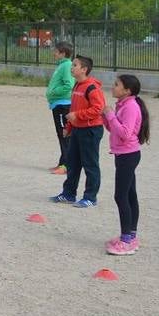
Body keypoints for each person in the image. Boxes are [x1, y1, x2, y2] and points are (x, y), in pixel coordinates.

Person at [103, 74, 151, 256]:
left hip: (128, 155)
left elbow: (124, 133)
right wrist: (106, 117)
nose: (113, 87)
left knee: (121, 196)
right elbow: (114, 129)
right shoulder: (123, 105)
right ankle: (130, 235)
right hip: (123, 154)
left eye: (117, 85)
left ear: (127, 90)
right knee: (130, 194)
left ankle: (126, 240)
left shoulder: (130, 107)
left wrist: (110, 115)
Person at [51, 56, 105, 208]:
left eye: (75, 65)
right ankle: (68, 194)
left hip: (90, 130)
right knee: (72, 163)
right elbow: (73, 109)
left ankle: (90, 197)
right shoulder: (77, 86)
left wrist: (77, 116)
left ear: (84, 69)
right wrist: (69, 127)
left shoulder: (92, 87)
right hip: (77, 129)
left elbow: (98, 109)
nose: (71, 67)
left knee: (90, 164)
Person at [46, 43, 76, 175]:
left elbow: (69, 85)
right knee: (61, 134)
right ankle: (62, 162)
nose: (54, 54)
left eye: (56, 52)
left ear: (63, 53)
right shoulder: (61, 65)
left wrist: (53, 92)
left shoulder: (67, 65)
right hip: (57, 104)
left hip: (63, 104)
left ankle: (67, 165)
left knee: (65, 134)